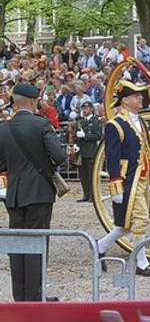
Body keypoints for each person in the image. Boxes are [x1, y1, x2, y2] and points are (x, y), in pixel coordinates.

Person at [0, 83, 67, 301]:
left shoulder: (3, 128)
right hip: (39, 193)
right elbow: (59, 156)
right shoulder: (41, 124)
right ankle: (36, 298)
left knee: (17, 247)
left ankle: (20, 298)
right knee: (37, 245)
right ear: (31, 101)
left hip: (15, 194)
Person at [95, 81, 150, 277]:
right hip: (127, 179)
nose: (141, 98)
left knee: (126, 224)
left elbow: (147, 150)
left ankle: (100, 246)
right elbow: (112, 157)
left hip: (140, 178)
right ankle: (141, 262)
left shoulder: (139, 121)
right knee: (140, 219)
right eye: (135, 96)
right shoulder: (114, 125)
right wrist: (115, 188)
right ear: (125, 101)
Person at [74, 101, 102, 203]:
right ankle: (86, 194)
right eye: (83, 108)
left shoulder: (95, 121)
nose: (85, 110)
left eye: (86, 108)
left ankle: (92, 195)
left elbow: (98, 135)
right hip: (82, 151)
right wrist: (75, 143)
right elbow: (76, 134)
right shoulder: (81, 121)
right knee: (83, 175)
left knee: (91, 175)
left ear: (91, 109)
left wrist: (85, 136)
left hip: (91, 151)